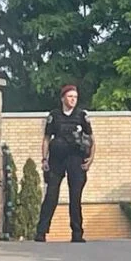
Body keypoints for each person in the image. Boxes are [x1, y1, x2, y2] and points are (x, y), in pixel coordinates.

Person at [36, 84, 94, 243]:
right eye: (70, 96)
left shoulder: (81, 115)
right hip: (57, 159)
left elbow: (91, 139)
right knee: (51, 195)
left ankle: (77, 234)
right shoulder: (54, 116)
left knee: (75, 197)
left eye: (75, 97)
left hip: (76, 159)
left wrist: (90, 160)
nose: (73, 100)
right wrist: (44, 159)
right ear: (63, 98)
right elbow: (46, 139)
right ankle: (41, 232)